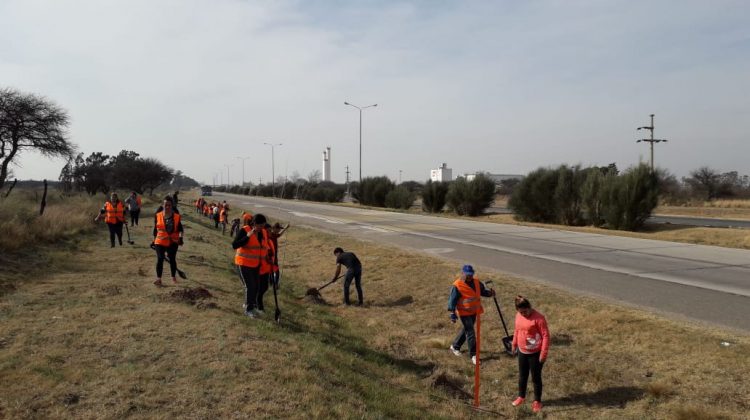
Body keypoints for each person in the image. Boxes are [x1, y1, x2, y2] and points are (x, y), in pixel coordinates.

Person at [447, 264, 495, 365]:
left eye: (471, 274)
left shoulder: (477, 283)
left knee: (467, 330)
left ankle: (455, 346)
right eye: (467, 275)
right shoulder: (457, 285)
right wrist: (452, 313)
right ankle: (474, 355)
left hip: (474, 311)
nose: (469, 276)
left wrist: (490, 293)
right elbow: (452, 300)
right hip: (464, 312)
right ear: (463, 273)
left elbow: (482, 292)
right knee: (471, 333)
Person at [510, 295, 550, 414]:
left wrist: (543, 353)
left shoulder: (539, 318)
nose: (523, 314)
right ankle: (521, 396)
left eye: (525, 311)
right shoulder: (518, 316)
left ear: (530, 307)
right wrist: (514, 343)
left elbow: (546, 336)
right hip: (522, 351)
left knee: (535, 378)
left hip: (535, 353)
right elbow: (517, 330)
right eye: (520, 312)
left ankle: (537, 401)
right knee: (522, 376)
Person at [232, 213, 273, 318]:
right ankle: (248, 309)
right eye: (260, 226)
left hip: (256, 265)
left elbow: (263, 247)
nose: (261, 228)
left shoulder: (263, 232)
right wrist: (247, 236)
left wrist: (268, 257)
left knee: (256, 287)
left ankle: (252, 306)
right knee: (249, 286)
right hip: (243, 263)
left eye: (263, 226)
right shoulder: (244, 230)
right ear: (254, 223)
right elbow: (234, 245)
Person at [152, 197, 184, 286]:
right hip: (160, 241)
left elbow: (181, 229)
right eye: (166, 205)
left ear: (172, 206)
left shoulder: (176, 216)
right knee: (160, 258)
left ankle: (173, 277)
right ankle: (159, 279)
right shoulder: (158, 215)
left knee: (172, 259)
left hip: (173, 241)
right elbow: (155, 229)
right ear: (163, 205)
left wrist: (180, 238)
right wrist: (153, 240)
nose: (167, 207)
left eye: (169, 205)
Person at [268, 222, 289, 288]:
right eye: (278, 229)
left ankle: (273, 283)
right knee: (275, 270)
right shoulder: (270, 235)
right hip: (270, 256)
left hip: (274, 256)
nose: (279, 230)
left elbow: (279, 234)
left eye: (280, 229)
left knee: (273, 270)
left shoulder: (274, 234)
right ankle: (274, 284)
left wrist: (285, 228)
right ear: (274, 228)